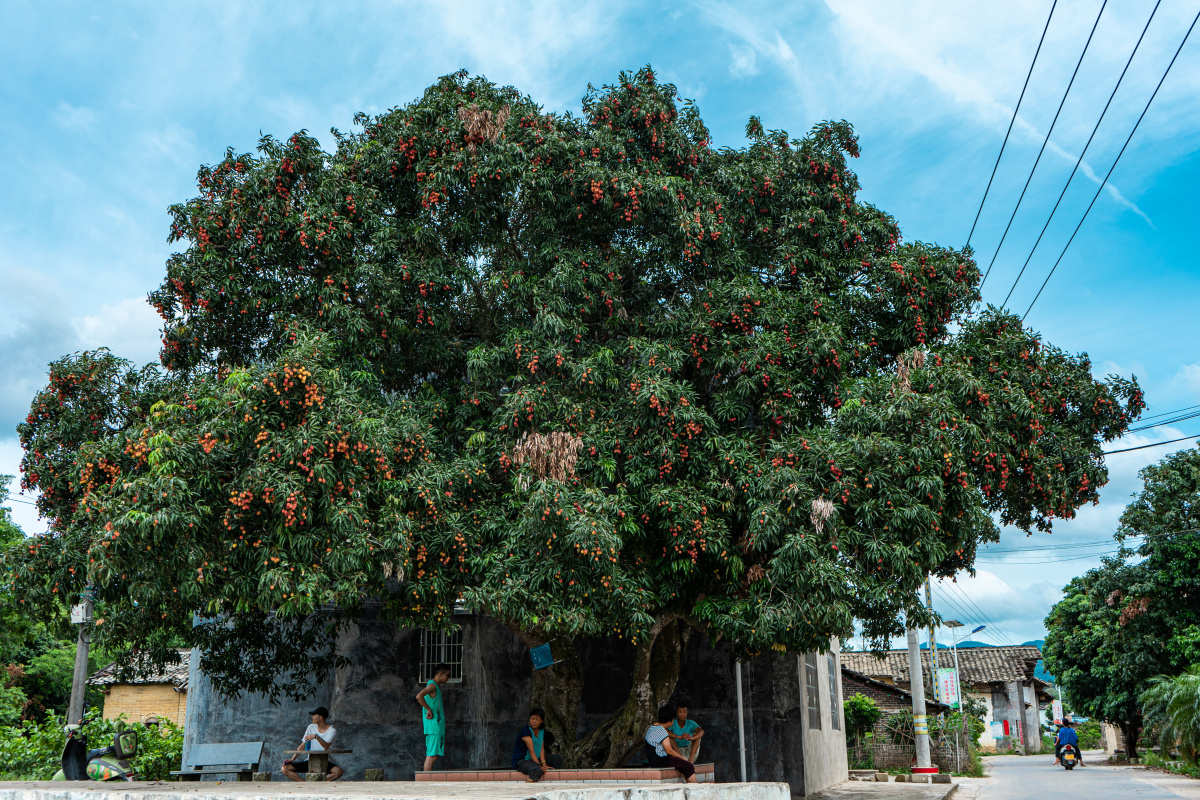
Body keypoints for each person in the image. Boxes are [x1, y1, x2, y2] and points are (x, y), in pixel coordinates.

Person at [281, 707, 344, 781]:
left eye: (314, 715)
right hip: (309, 761)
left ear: (321, 717)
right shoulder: (311, 727)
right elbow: (303, 745)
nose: (312, 717)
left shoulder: (332, 731)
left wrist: (316, 737)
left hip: (323, 762)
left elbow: (326, 746)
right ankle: (305, 785)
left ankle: (319, 782)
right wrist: (292, 759)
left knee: (338, 771)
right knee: (284, 768)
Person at [645, 705, 697, 783]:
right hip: (660, 760)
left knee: (684, 766)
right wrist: (683, 759)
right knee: (689, 766)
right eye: (673, 719)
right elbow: (669, 751)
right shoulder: (662, 731)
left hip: (654, 760)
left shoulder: (652, 727)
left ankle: (690, 785)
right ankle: (696, 788)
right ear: (670, 720)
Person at [510, 707, 563, 783]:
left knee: (557, 758)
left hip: (534, 760)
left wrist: (544, 764)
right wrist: (540, 766)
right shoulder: (526, 730)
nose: (533, 721)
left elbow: (541, 749)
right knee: (537, 770)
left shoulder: (542, 731)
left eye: (536, 719)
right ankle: (526, 789)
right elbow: (531, 751)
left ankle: (556, 783)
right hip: (522, 761)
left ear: (541, 721)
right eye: (532, 719)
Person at [416, 664, 451, 771]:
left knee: (433, 755)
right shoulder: (432, 686)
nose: (448, 678)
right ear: (441, 674)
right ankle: (426, 782)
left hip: (435, 727)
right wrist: (429, 709)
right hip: (434, 726)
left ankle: (427, 780)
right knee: (431, 755)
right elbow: (419, 696)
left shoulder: (435, 686)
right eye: (448, 675)